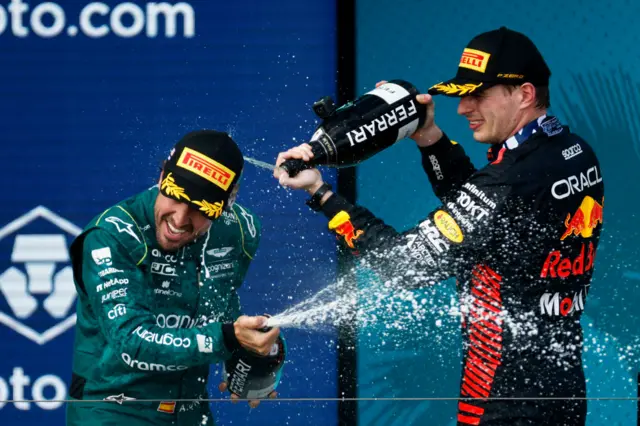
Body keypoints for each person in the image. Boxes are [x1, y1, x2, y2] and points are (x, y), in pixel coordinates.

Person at [274, 27, 604, 426]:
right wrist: (429, 137)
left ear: (525, 94)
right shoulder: (572, 152)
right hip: (562, 391)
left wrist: (323, 195)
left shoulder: (510, 182)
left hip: (502, 403)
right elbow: (485, 215)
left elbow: (404, 267)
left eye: (477, 94)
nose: (464, 108)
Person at [66, 130, 280, 426]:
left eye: (200, 209)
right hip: (113, 413)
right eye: (175, 196)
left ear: (229, 202)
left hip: (191, 412)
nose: (179, 219)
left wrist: (254, 352)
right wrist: (229, 337)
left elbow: (222, 308)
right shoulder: (111, 235)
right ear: (162, 175)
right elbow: (131, 342)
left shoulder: (240, 231)